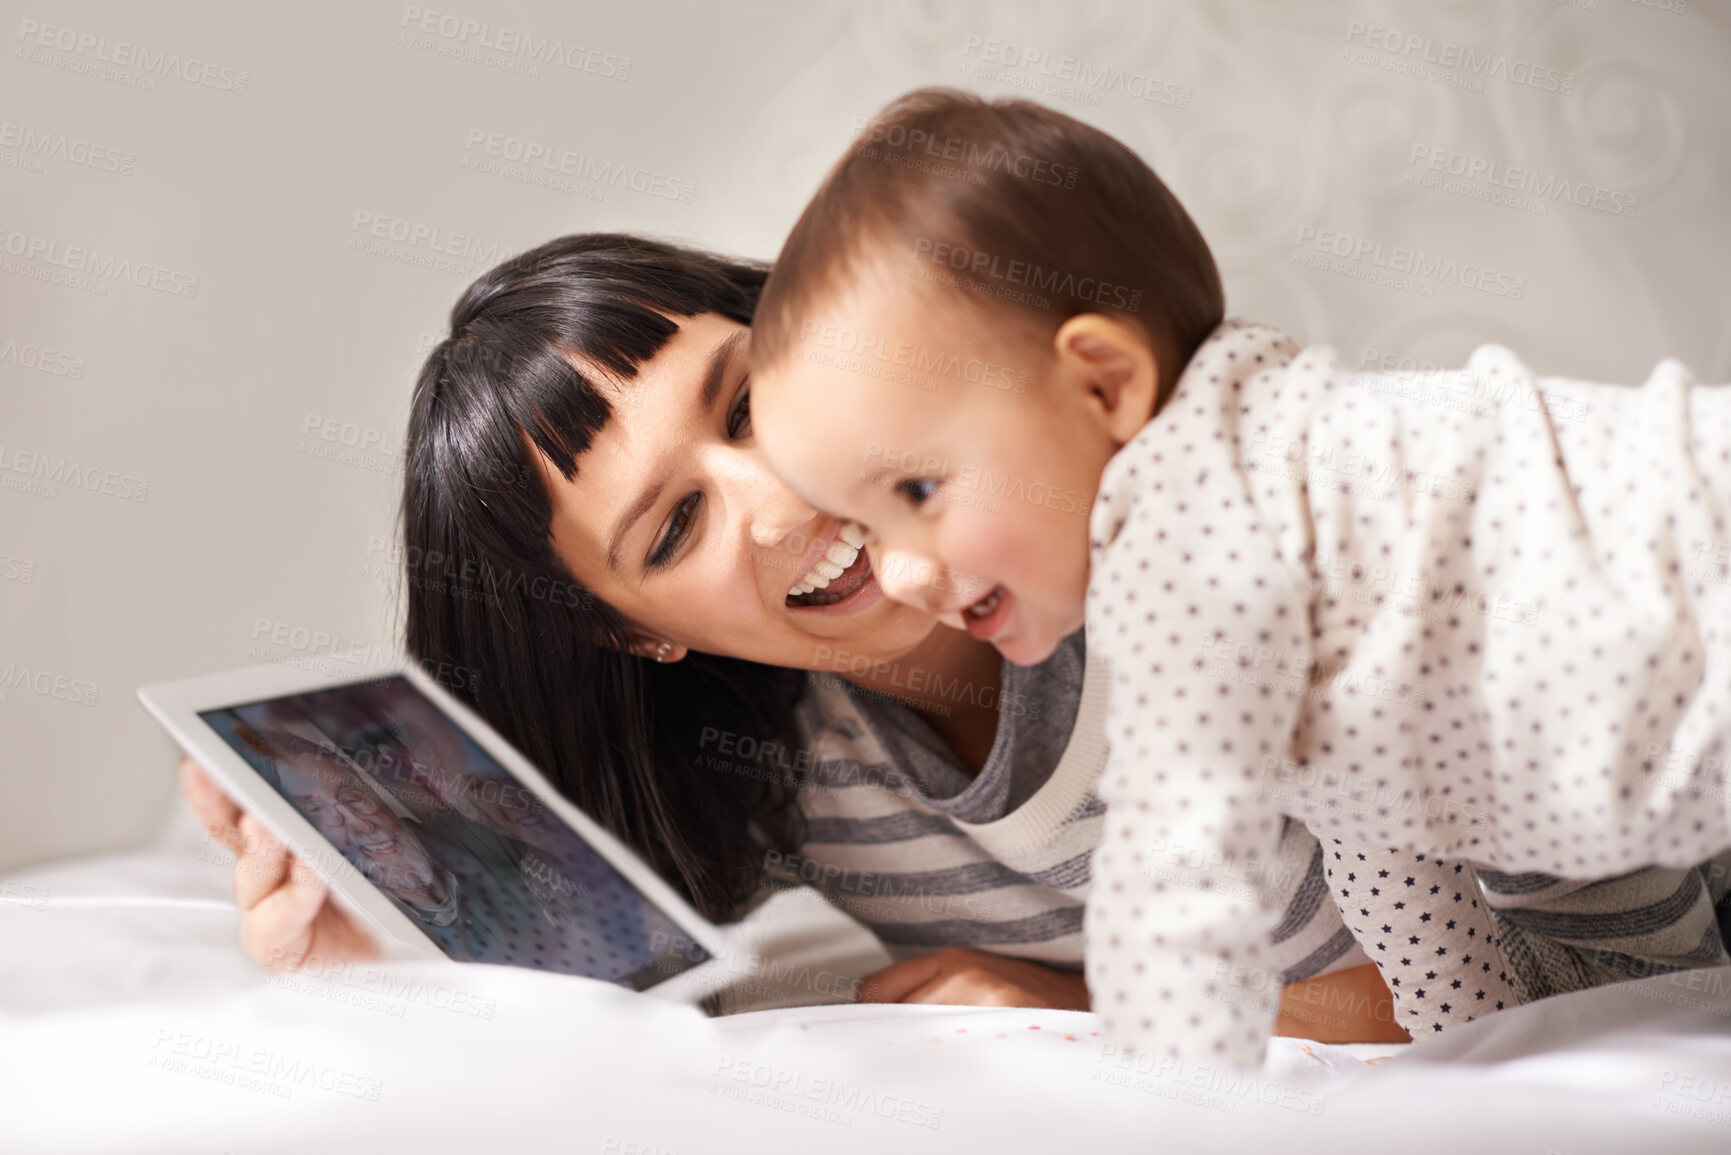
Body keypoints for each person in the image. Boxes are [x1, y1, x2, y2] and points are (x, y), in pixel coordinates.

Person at [180, 231, 1726, 1043]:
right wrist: (373, 958)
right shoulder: (777, 764)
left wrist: (1065, 1000)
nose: (772, 497)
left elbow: (1481, 987)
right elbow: (626, 1014)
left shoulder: (1133, 556)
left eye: (738, 399)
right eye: (671, 530)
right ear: (632, 639)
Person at [743, 86, 1731, 1064]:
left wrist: (1165, 1077)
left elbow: (1178, 886)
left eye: (917, 489)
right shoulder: (1295, 546)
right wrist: (1470, 1045)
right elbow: (1395, 865)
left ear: (1104, 384)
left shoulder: (1196, 527)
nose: (903, 572)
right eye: (865, 523)